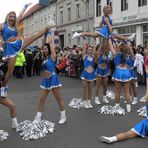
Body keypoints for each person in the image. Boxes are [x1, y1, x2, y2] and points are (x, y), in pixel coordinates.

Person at [0, 3, 55, 97]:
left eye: (14, 17)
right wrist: (3, 41)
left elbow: (20, 15)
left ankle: (48, 26)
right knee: (10, 72)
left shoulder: (15, 25)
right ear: (7, 16)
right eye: (11, 16)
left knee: (34, 37)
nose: (12, 18)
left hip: (19, 44)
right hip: (10, 49)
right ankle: (3, 87)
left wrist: (25, 7)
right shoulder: (2, 26)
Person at [33, 35, 66, 124]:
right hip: (45, 80)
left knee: (58, 99)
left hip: (53, 79)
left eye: (46, 49)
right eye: (43, 49)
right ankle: (38, 117)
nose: (44, 50)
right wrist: (45, 34)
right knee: (41, 99)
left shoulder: (52, 57)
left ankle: (63, 116)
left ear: (49, 49)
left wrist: (51, 41)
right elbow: (43, 44)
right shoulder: (44, 58)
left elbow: (51, 49)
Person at [108, 39, 132, 112]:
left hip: (118, 72)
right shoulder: (127, 54)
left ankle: (117, 106)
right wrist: (125, 41)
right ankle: (128, 108)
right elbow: (127, 47)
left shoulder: (116, 53)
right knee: (127, 91)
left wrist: (109, 38)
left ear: (119, 48)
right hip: (126, 71)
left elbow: (111, 46)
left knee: (117, 91)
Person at [81, 39, 96, 108]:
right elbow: (84, 47)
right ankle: (84, 102)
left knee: (90, 89)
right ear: (86, 50)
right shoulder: (84, 56)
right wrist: (84, 39)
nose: (90, 51)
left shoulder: (93, 56)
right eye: (89, 49)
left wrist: (95, 40)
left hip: (92, 75)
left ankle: (89, 102)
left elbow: (95, 49)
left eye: (91, 50)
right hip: (85, 74)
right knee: (85, 89)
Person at [95, 39, 109, 104]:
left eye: (106, 48)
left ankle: (104, 98)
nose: (106, 49)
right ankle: (96, 98)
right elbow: (100, 47)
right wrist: (103, 39)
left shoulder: (107, 54)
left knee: (105, 85)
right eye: (104, 48)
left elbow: (108, 45)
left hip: (105, 70)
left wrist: (107, 39)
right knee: (98, 85)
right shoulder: (99, 54)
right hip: (99, 70)